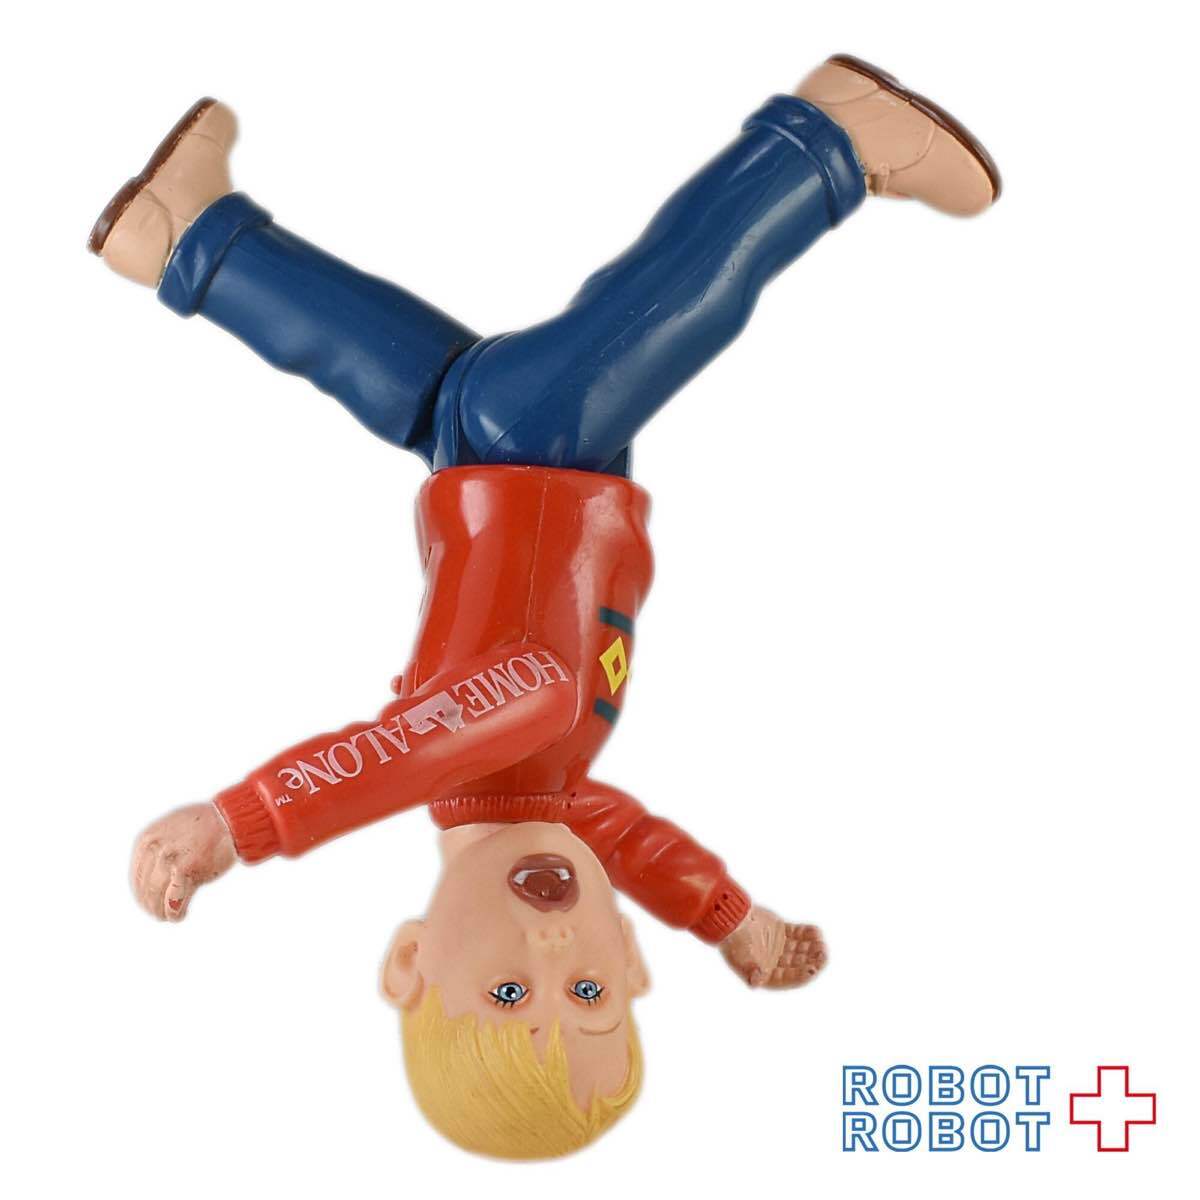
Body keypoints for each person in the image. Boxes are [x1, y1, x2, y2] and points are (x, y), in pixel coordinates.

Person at [94, 54, 1000, 1158]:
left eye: (512, 996)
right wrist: (738, 926)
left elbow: (396, 752)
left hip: (540, 458)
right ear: (633, 966)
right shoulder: (548, 797)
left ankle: (827, 144)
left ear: (411, 961)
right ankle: (187, 238)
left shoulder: (487, 742)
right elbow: (642, 847)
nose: (554, 954)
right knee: (424, 386)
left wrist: (237, 823)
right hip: (522, 473)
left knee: (675, 305)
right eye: (592, 992)